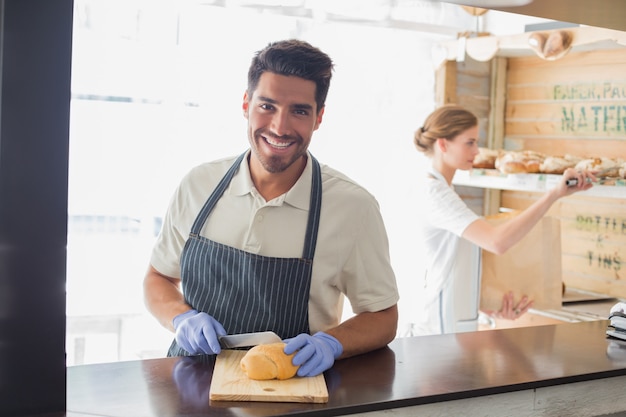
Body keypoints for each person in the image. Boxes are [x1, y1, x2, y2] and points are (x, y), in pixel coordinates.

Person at [143, 39, 399, 377]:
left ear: (319, 117)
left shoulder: (353, 208)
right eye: (267, 106)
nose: (280, 127)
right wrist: (181, 317)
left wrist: (331, 343)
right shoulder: (198, 185)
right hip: (190, 387)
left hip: (292, 391)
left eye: (299, 111)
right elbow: (158, 278)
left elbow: (382, 317)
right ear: (246, 103)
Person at [410, 104, 595, 335]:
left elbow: (450, 262)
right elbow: (497, 241)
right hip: (436, 331)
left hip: (450, 326)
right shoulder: (435, 194)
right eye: (470, 142)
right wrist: (553, 194)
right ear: (443, 144)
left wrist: (488, 305)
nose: (477, 151)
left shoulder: (442, 190)